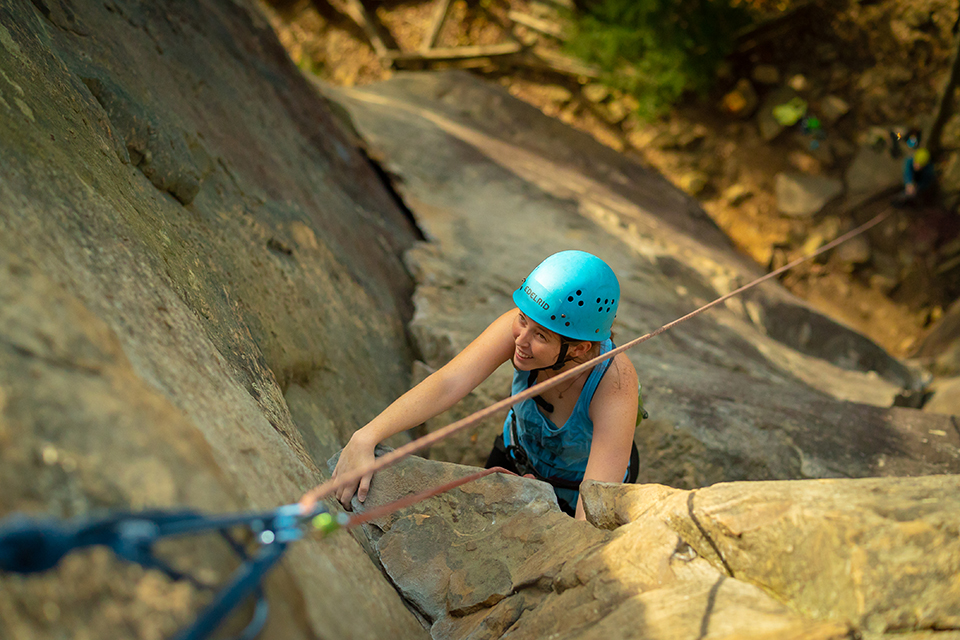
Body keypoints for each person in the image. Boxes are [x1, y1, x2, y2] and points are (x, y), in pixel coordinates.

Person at [306, 250, 641, 520]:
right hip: (517, 458)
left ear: (580, 349)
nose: (521, 341)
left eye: (541, 336)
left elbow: (594, 496)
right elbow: (449, 382)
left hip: (575, 491)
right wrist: (366, 436)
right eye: (522, 320)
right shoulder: (524, 329)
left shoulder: (614, 383)